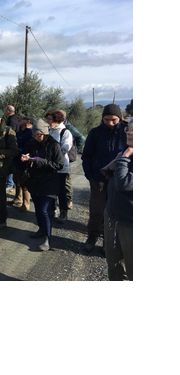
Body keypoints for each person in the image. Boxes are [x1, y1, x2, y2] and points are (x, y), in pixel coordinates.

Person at [81, 104, 128, 253]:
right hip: (98, 179)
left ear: (120, 118)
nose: (110, 123)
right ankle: (92, 236)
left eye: (113, 120)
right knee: (97, 210)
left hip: (119, 180)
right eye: (106, 120)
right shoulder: (95, 133)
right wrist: (89, 175)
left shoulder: (127, 131)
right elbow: (87, 155)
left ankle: (109, 241)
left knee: (115, 212)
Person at [21, 119, 64, 251]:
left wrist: (41, 161)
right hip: (35, 182)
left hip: (49, 183)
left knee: (45, 210)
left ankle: (47, 238)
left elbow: (59, 165)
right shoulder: (32, 143)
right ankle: (41, 229)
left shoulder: (54, 145)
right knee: (38, 209)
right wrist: (26, 158)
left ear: (44, 133)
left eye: (37, 135)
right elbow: (29, 155)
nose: (35, 137)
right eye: (33, 135)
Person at [102, 121, 133, 281]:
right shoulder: (126, 152)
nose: (129, 132)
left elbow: (124, 184)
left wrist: (124, 158)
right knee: (113, 264)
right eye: (129, 129)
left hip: (130, 222)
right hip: (112, 216)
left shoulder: (126, 155)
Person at [46, 110, 74, 224]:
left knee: (61, 190)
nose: (48, 121)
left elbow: (65, 147)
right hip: (49, 165)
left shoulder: (65, 132)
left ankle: (63, 211)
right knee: (50, 189)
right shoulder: (49, 131)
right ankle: (52, 209)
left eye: (50, 119)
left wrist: (52, 152)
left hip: (61, 166)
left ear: (57, 120)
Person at [12, 114, 34, 211]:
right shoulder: (20, 132)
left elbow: (27, 148)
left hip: (23, 160)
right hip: (16, 159)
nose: (21, 119)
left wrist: (16, 150)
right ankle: (18, 199)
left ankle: (26, 204)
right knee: (17, 180)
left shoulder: (30, 133)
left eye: (24, 119)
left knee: (24, 182)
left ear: (28, 122)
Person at [5, 106, 19, 191]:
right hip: (14, 143)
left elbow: (11, 132)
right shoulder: (16, 119)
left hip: (11, 144)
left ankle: (10, 183)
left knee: (9, 162)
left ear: (8, 111)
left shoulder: (11, 120)